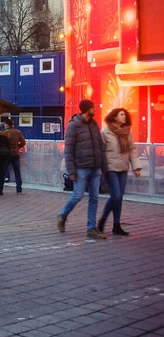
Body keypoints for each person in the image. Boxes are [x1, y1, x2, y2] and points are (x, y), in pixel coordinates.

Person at [57, 100, 108, 240]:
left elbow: (100, 146)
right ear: (87, 109)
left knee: (94, 198)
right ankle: (62, 215)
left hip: (95, 167)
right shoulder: (73, 125)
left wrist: (103, 166)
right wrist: (71, 170)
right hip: (81, 168)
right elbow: (68, 150)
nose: (95, 110)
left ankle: (91, 228)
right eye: (93, 107)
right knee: (77, 195)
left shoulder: (94, 124)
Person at [98, 108, 141, 236]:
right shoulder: (105, 132)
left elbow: (132, 149)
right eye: (121, 115)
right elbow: (101, 151)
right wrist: (101, 169)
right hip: (110, 168)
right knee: (115, 195)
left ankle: (116, 225)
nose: (124, 117)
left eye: (125, 115)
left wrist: (136, 166)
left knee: (120, 197)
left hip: (123, 168)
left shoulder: (127, 132)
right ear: (114, 117)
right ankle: (103, 219)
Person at [0, 118, 26, 194]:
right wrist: (18, 147)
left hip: (7, 154)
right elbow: (23, 142)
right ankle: (19, 189)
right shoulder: (17, 132)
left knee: (3, 171)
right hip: (16, 153)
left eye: (5, 124)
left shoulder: (5, 132)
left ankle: (0, 188)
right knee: (17, 171)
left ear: (7, 125)